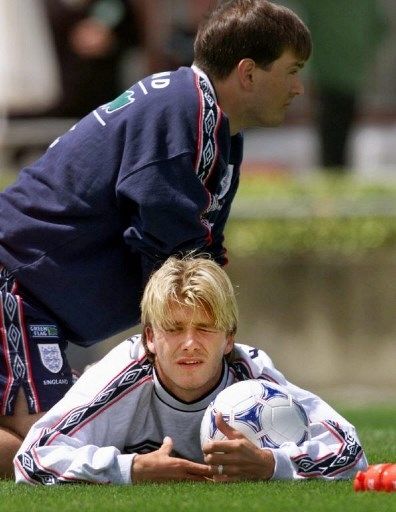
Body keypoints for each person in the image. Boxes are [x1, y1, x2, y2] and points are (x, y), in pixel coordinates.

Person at [0, 0, 312, 477]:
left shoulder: (202, 114)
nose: (297, 87)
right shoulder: (187, 113)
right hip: (17, 281)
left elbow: (188, 251)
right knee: (43, 448)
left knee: (64, 441)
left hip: (32, 287)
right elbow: (173, 252)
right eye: (291, 71)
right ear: (248, 73)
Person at [14, 256, 367, 485]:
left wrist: (271, 464)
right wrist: (131, 469)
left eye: (204, 328)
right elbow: (30, 459)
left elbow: (349, 449)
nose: (189, 343)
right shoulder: (121, 376)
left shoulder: (252, 374)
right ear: (150, 337)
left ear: (229, 338)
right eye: (173, 328)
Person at [297, 0, 388, 170]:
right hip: (350, 73)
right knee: (343, 130)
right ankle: (338, 170)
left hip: (325, 73)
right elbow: (381, 27)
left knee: (329, 131)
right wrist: (364, 53)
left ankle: (332, 171)